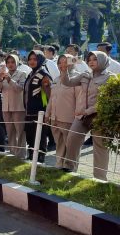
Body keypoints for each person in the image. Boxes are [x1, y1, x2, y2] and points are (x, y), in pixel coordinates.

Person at [62, 51, 117, 180]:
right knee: (72, 138)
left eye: (95, 59)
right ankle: (70, 168)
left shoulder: (111, 77)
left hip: (100, 117)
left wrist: (89, 110)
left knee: (100, 146)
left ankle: (99, 178)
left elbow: (108, 101)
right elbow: (67, 82)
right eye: (89, 59)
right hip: (81, 116)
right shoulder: (85, 75)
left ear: (103, 61)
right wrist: (65, 69)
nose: (91, 62)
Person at [46, 54, 80, 170]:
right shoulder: (56, 79)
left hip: (69, 118)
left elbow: (79, 99)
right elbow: (52, 98)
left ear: (72, 62)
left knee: (70, 145)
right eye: (60, 62)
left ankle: (70, 168)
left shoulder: (76, 78)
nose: (62, 65)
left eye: (65, 62)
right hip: (55, 118)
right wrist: (47, 113)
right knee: (59, 143)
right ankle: (59, 165)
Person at [22, 50, 52, 163]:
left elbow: (50, 96)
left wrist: (48, 113)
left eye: (35, 59)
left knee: (40, 137)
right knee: (30, 136)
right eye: (30, 59)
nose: (32, 61)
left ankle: (40, 160)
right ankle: (31, 157)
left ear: (40, 60)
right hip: (29, 111)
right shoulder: (31, 73)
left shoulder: (43, 75)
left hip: (39, 112)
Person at [0, 54, 27, 159]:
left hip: (18, 107)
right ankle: (12, 152)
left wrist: (10, 80)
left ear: (17, 63)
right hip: (6, 107)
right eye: (8, 62)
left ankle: (21, 154)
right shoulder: (4, 74)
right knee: (9, 131)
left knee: (20, 131)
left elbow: (20, 89)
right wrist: (0, 79)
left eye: (13, 62)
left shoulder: (22, 74)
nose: (10, 64)